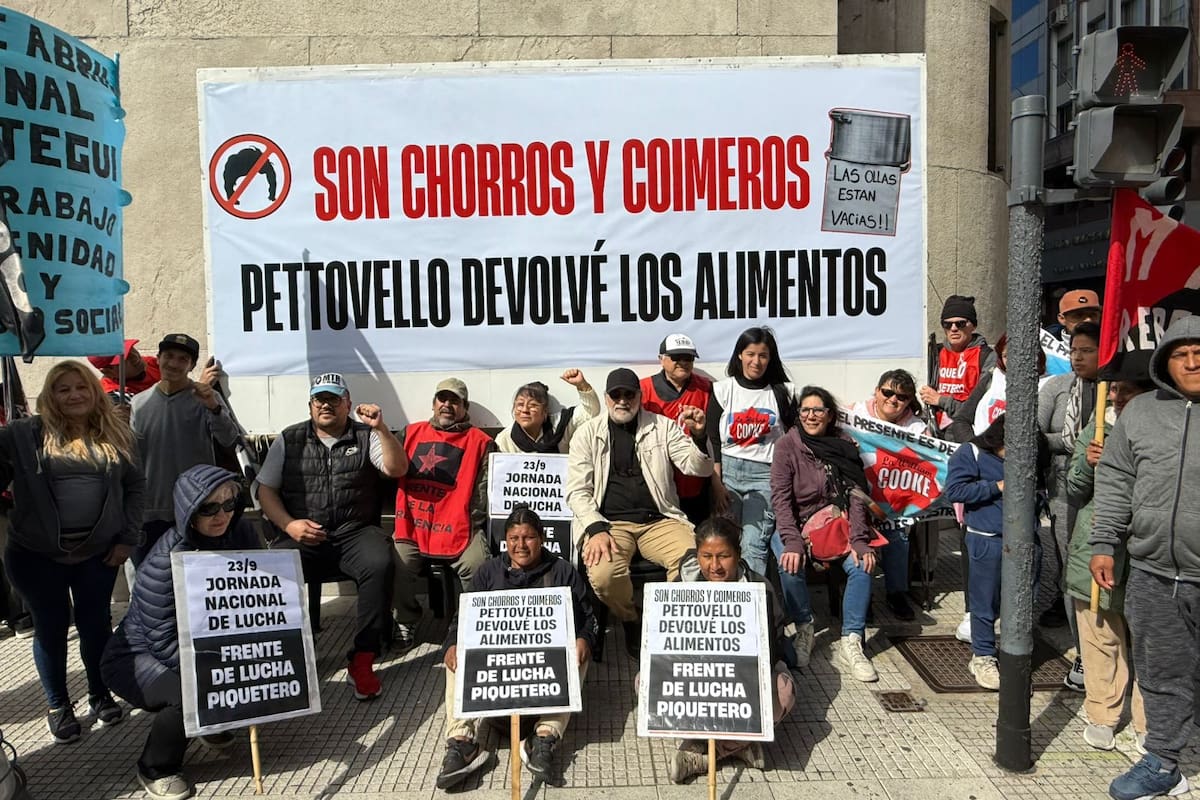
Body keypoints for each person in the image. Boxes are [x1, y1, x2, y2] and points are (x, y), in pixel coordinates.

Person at [0, 361, 143, 743]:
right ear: (50, 395)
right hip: (35, 554)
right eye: (63, 389)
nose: (74, 395)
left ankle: (99, 694)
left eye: (81, 387)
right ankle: (58, 705)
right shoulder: (23, 434)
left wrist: (128, 537)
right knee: (51, 627)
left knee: (96, 624)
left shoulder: (117, 432)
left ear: (94, 391)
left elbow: (135, 488)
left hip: (98, 554)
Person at [1091, 316, 1200, 800]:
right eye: (1181, 353)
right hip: (1154, 571)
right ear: (1165, 361)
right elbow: (1115, 483)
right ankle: (1163, 761)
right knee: (1160, 671)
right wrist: (1103, 544)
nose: (1192, 362)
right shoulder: (1140, 414)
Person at [101, 465, 259, 800]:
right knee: (194, 692)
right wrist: (221, 671)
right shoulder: (165, 560)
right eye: (209, 507)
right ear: (189, 509)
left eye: (229, 505)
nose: (222, 515)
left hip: (197, 643)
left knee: (249, 672)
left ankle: (207, 722)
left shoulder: (243, 535)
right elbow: (162, 639)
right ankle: (156, 766)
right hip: (136, 655)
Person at [257, 373, 404, 700]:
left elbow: (396, 469)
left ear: (347, 404)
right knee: (273, 570)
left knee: (379, 563)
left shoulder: (367, 435)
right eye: (319, 399)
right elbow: (265, 490)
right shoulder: (289, 438)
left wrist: (381, 428)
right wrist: (289, 525)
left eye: (334, 399)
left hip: (355, 532)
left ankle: (363, 657)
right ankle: (287, 657)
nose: (326, 405)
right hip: (303, 534)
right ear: (310, 405)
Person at [436, 506, 599, 789]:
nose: (520, 545)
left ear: (542, 539)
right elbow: (462, 618)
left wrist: (585, 638)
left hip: (544, 693)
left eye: (529, 538)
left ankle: (544, 739)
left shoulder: (562, 571)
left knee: (578, 650)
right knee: (457, 653)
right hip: (496, 691)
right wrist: (451, 644)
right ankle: (461, 742)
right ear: (505, 540)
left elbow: (588, 618)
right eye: (514, 538)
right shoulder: (488, 572)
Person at [567, 367, 713, 659]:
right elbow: (576, 491)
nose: (622, 400)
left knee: (693, 563)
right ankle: (632, 618)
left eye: (629, 394)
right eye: (615, 395)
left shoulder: (664, 426)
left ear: (639, 396)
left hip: (659, 520)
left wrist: (699, 436)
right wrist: (595, 529)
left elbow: (698, 468)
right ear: (607, 398)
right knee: (604, 574)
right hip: (608, 524)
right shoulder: (586, 433)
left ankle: (669, 626)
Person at [667, 517, 796, 782]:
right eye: (706, 556)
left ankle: (705, 754)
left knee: (783, 692)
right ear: (697, 554)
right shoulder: (679, 587)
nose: (714, 566)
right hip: (695, 680)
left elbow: (773, 649)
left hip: (744, 681)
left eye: (723, 556)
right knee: (643, 682)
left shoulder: (761, 588)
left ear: (737, 554)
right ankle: (742, 746)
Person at [1065, 375, 1152, 752]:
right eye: (1114, 390)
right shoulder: (1098, 426)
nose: (1118, 398)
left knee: (1150, 641)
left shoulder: (1163, 428)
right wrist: (1087, 463)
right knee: (1100, 634)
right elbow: (1073, 486)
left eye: (1128, 390)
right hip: (1096, 546)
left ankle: (1150, 721)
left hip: (1147, 550)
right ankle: (1102, 711)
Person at [771, 385, 880, 682]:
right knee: (788, 561)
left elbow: (857, 494)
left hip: (838, 524)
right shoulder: (786, 447)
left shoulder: (843, 445)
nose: (811, 415)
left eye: (818, 410)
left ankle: (852, 639)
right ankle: (805, 627)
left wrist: (859, 539)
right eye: (805, 410)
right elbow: (781, 499)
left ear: (830, 415)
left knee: (863, 563)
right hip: (797, 524)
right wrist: (792, 541)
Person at [945, 414, 1049, 691]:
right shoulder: (971, 452)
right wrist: (996, 487)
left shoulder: (1035, 454)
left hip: (1026, 541)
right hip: (986, 540)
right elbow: (954, 490)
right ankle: (983, 656)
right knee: (983, 605)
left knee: (1024, 602)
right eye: (1009, 448)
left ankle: (1015, 654)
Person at [392, 377, 496, 646]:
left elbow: (483, 493)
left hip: (459, 526)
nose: (447, 405)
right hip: (412, 525)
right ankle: (406, 619)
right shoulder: (409, 433)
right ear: (434, 403)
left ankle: (466, 621)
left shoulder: (481, 442)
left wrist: (461, 520)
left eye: (455, 400)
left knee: (479, 567)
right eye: (442, 399)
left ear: (465, 406)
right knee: (394, 564)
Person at [130, 334, 240, 566]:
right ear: (158, 358)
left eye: (183, 359)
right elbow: (131, 458)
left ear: (191, 365)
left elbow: (229, 438)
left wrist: (213, 406)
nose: (174, 363)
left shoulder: (207, 398)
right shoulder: (137, 404)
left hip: (197, 510)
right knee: (153, 582)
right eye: (169, 356)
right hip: (151, 512)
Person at [1037, 321, 1100, 683]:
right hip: (1064, 491)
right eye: (1074, 350)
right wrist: (1072, 443)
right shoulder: (1058, 387)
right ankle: (1083, 653)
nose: (1078, 357)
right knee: (1071, 574)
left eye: (1087, 350)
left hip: (1107, 493)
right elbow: (1036, 434)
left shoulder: (1117, 390)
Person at [708, 327, 797, 579]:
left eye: (763, 355)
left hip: (766, 477)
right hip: (727, 475)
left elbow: (794, 436)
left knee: (753, 545)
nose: (755, 361)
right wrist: (717, 483)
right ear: (739, 355)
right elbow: (713, 440)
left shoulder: (784, 391)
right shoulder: (722, 390)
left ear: (771, 359)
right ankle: (725, 602)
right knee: (726, 543)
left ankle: (755, 607)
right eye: (750, 354)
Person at [850, 369, 929, 622]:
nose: (893, 400)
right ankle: (864, 597)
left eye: (902, 397)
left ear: (909, 402)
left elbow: (931, 465)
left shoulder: (917, 427)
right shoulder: (855, 413)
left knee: (898, 536)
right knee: (857, 535)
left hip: (895, 503)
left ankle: (897, 593)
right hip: (857, 496)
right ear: (877, 391)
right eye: (888, 392)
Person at [640, 334, 717, 526]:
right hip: (657, 486)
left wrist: (717, 482)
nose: (682, 362)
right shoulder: (643, 390)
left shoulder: (707, 389)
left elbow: (715, 438)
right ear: (661, 359)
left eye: (688, 358)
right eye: (676, 357)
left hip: (696, 483)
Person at [918, 295, 996, 443]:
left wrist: (941, 400)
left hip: (967, 434)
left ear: (973, 325)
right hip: (933, 433)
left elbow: (982, 407)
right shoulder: (935, 353)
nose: (953, 328)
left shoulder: (987, 356)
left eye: (960, 323)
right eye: (947, 324)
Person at [494, 369, 598, 454]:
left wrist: (581, 385)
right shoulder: (504, 439)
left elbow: (590, 411)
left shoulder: (558, 426)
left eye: (532, 405)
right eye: (520, 405)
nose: (525, 410)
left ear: (545, 411)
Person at [89, 339, 160, 397]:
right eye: (125, 358)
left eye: (131, 349)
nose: (135, 357)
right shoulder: (114, 393)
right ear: (108, 372)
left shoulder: (151, 363)